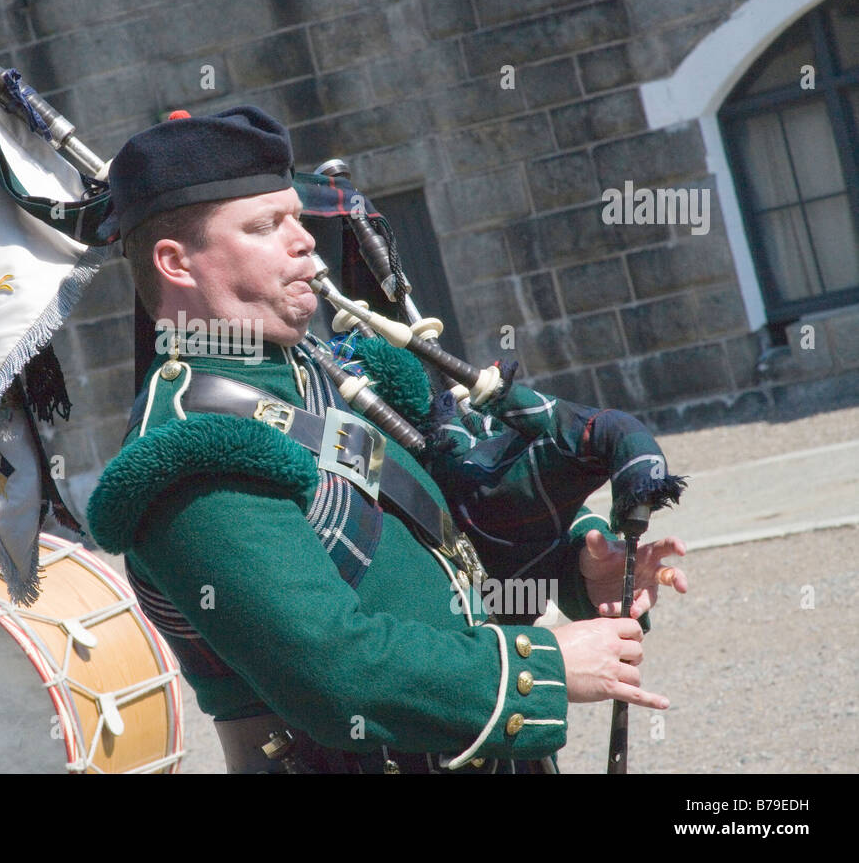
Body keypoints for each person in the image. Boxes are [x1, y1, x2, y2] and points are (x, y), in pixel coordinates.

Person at [86, 106, 687, 773]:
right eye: (265, 226)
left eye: (295, 216)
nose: (304, 241)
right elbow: (335, 675)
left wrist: (578, 568)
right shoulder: (194, 455)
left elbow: (441, 533)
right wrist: (543, 665)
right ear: (175, 262)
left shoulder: (319, 369)